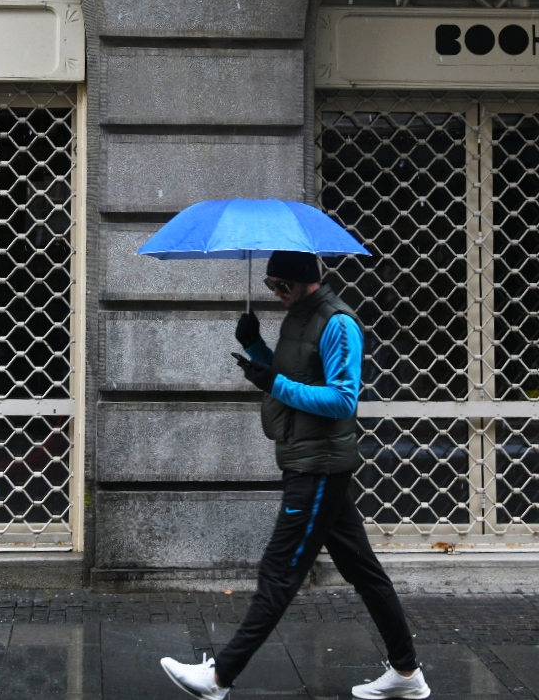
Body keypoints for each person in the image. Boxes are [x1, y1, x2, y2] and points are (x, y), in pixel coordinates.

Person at [160, 250, 429, 700]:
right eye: (269, 286)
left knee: (280, 571)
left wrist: (273, 383)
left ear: (306, 281)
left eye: (281, 286)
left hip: (319, 466)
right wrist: (254, 349)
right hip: (306, 459)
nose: (275, 294)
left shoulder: (337, 324)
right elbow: (292, 373)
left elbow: (343, 400)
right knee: (362, 570)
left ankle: (219, 677)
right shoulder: (298, 318)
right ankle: (406, 673)